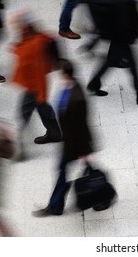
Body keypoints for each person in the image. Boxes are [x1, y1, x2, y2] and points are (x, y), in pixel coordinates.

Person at [33, 60, 94, 216]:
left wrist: (83, 150)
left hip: (73, 145)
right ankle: (57, 206)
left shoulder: (77, 97)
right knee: (65, 173)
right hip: (70, 142)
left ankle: (55, 207)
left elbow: (81, 125)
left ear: (66, 74)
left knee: (62, 173)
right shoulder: (70, 86)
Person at [10, 10, 62, 146]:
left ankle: (19, 142)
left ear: (26, 25)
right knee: (43, 108)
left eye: (19, 24)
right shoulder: (35, 37)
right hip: (35, 84)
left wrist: (41, 93)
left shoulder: (35, 44)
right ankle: (54, 133)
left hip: (34, 85)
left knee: (24, 112)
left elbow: (32, 64)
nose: (17, 26)